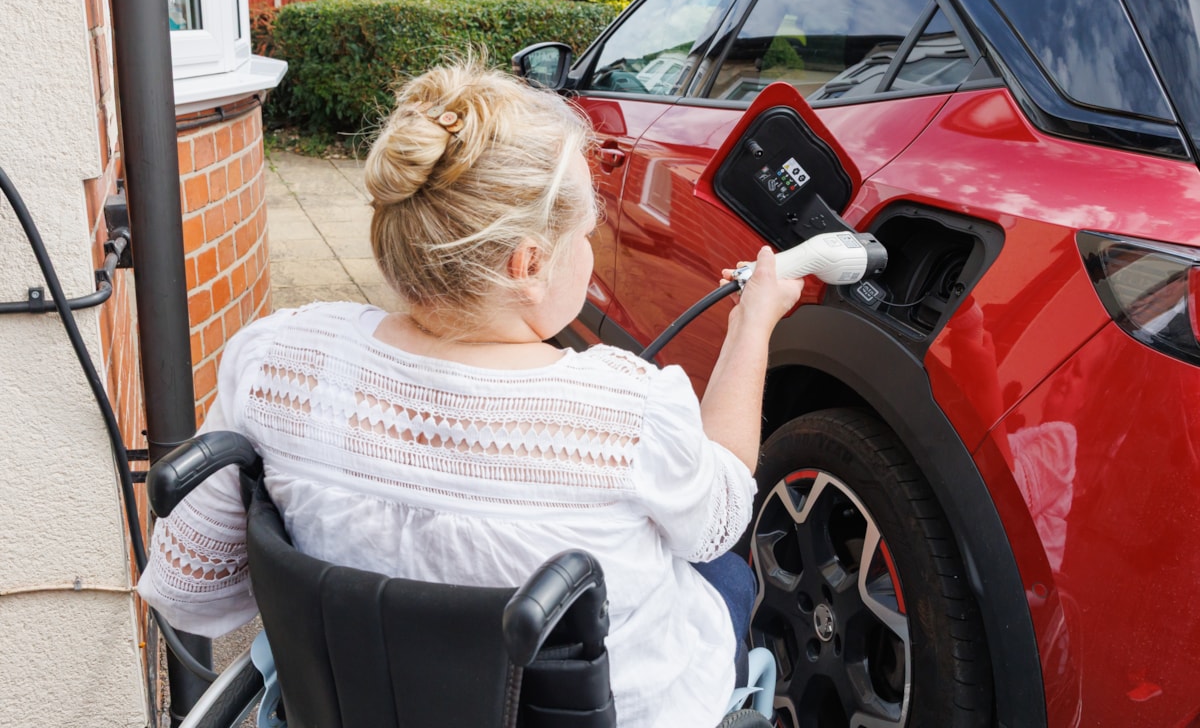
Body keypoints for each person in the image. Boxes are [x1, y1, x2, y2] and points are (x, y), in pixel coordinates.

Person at [137, 61, 805, 727]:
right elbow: (719, 516)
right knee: (726, 573)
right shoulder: (627, 411)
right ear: (529, 262)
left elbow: (190, 589)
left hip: (359, 710)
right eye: (584, 235)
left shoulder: (277, 362)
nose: (590, 253)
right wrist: (753, 325)